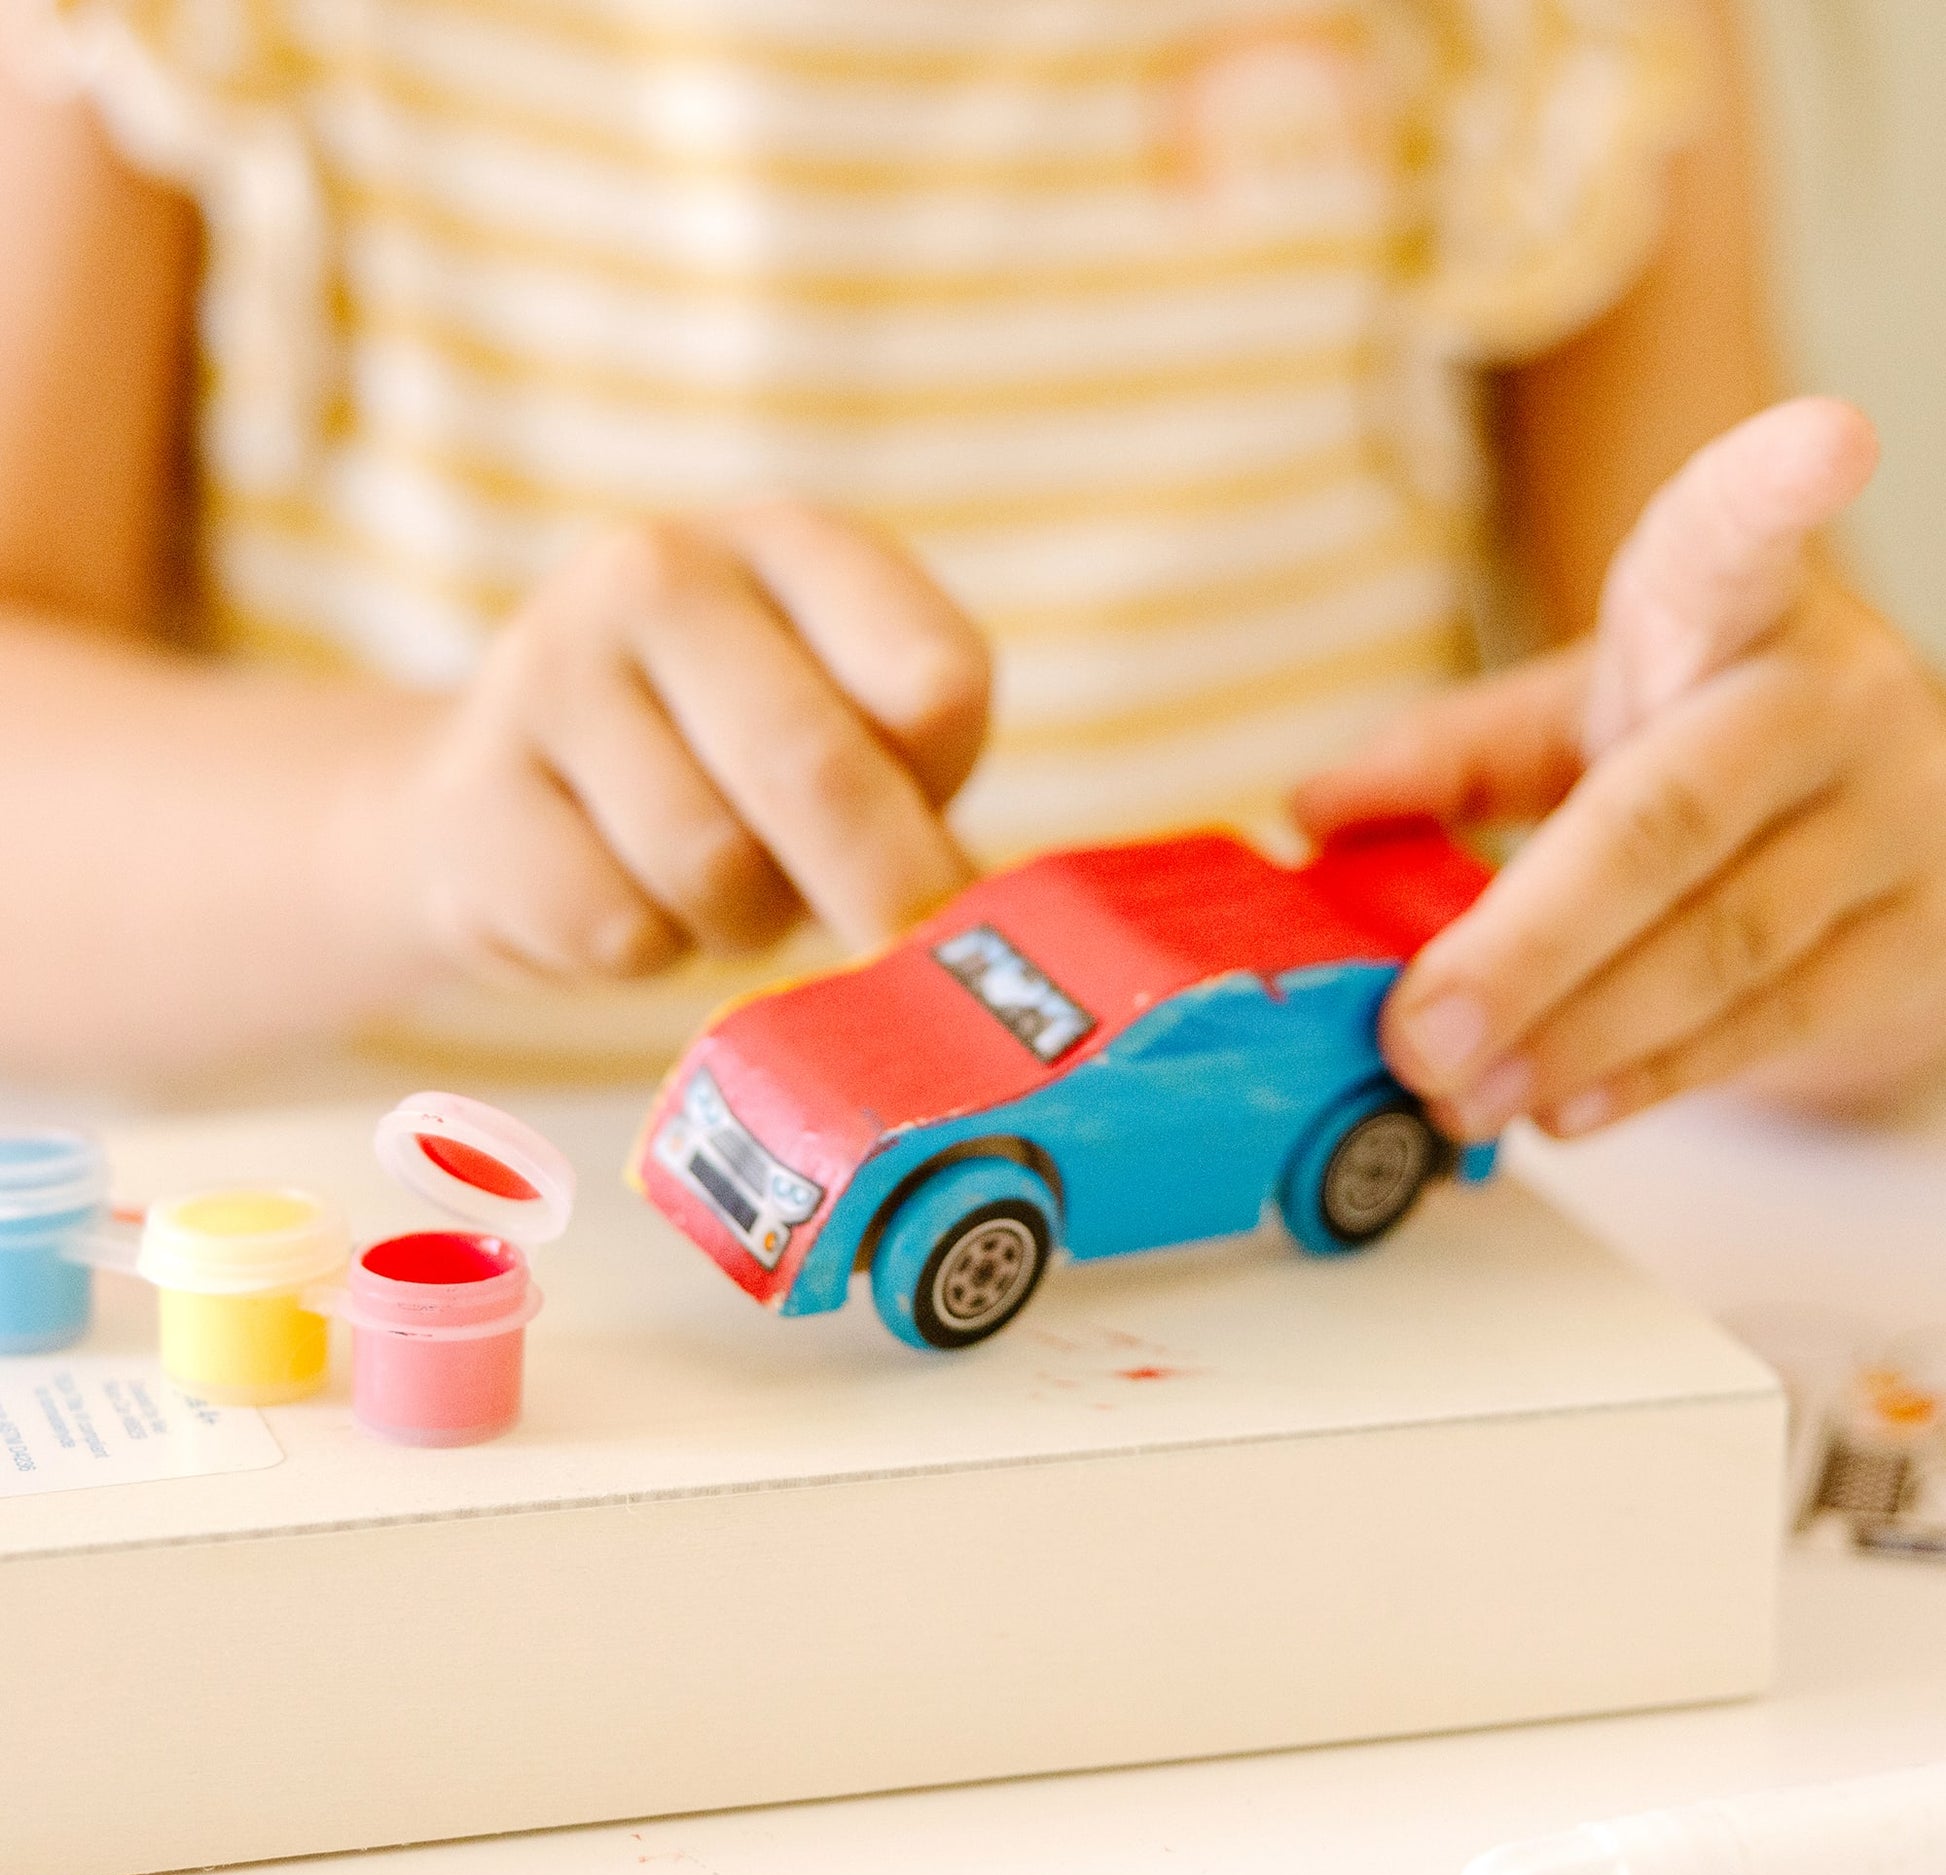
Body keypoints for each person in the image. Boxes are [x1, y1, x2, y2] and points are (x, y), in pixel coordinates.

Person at [1, 0, 1943, 1141]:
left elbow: (1739, 720)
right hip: (435, 1309)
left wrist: (1838, 887)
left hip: (1279, 1324)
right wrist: (404, 825)